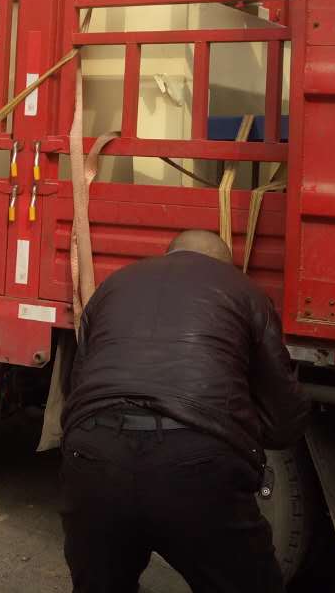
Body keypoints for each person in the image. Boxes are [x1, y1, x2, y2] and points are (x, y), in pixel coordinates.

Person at [61, 229, 310, 592]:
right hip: (197, 462)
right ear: (224, 264)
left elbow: (77, 385)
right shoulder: (245, 291)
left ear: (169, 253)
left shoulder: (112, 286)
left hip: (93, 454)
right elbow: (284, 414)